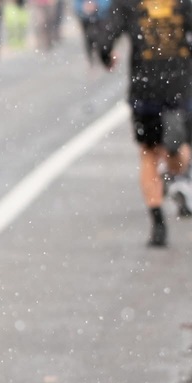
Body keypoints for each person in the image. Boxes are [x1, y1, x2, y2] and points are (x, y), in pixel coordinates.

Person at [99, 0, 192, 246]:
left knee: (149, 154)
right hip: (179, 88)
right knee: (178, 148)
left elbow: (106, 38)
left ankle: (158, 223)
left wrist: (107, 56)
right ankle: (177, 173)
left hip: (146, 87)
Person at [74, 0, 108, 65]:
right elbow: (76, 4)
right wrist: (82, 7)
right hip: (87, 19)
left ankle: (101, 59)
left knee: (102, 40)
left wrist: (98, 5)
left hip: (102, 17)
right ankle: (92, 61)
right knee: (88, 41)